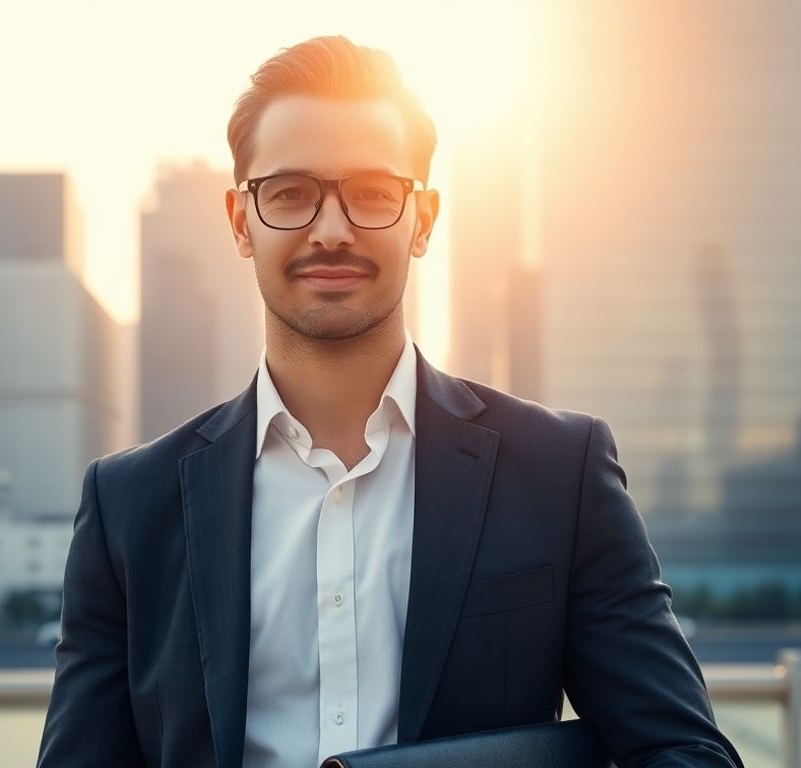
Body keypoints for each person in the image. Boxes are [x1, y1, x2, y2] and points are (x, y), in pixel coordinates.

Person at [37, 35, 742, 768]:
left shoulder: (560, 473)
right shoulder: (127, 507)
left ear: (425, 219)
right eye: (289, 195)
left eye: (373, 193)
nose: (331, 230)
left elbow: (683, 750)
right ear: (240, 221)